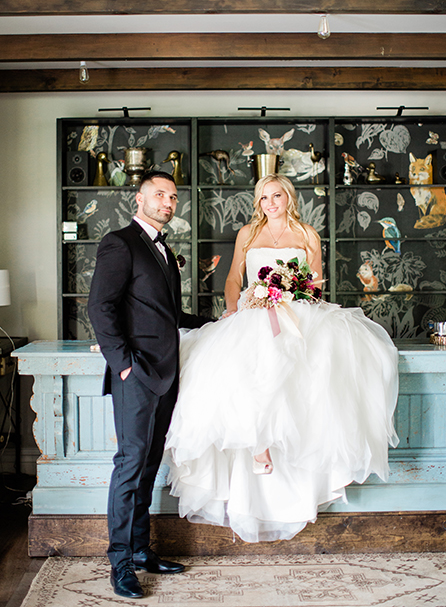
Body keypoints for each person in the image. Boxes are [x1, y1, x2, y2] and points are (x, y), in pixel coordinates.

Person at [164, 174, 399, 543]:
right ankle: (259, 443)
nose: (269, 203)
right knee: (245, 368)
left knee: (313, 375)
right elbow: (232, 278)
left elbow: (317, 281)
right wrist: (233, 308)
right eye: (262, 198)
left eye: (276, 196)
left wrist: (292, 289)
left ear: (289, 198)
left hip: (297, 310)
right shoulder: (246, 234)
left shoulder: (307, 234)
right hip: (253, 310)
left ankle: (295, 459)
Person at [88, 171, 210, 599]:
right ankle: (119, 563)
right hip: (136, 375)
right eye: (159, 194)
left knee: (149, 465)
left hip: (166, 376)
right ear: (139, 198)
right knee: (129, 466)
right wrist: (123, 365)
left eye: (174, 197)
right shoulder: (120, 243)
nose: (168, 202)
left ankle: (141, 550)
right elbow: (100, 308)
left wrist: (217, 323)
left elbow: (170, 316)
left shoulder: (163, 250)